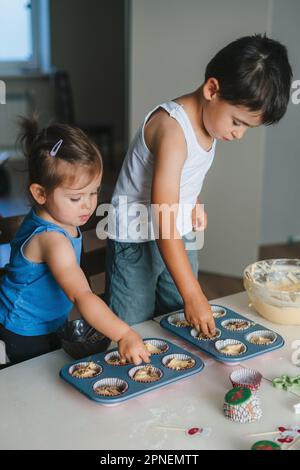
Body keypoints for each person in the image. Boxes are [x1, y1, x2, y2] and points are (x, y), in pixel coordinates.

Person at [105, 34, 292, 335]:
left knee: (179, 316)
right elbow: (162, 217)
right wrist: (194, 293)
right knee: (133, 326)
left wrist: (192, 202)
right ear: (212, 89)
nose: (239, 134)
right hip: (137, 239)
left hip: (178, 233)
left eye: (247, 127)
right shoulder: (172, 130)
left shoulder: (211, 123)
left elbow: (183, 176)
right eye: (237, 122)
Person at [0, 118, 150, 366]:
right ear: (40, 193)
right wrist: (123, 333)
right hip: (24, 329)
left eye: (94, 192)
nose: (88, 204)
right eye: (76, 197)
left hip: (49, 320)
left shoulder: (58, 215)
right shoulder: (52, 239)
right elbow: (81, 294)